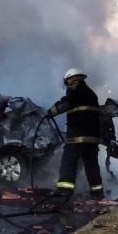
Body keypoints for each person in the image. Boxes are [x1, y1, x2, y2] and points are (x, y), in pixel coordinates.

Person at [48, 68, 104, 199]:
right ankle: (97, 192)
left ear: (70, 79)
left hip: (77, 137)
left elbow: (67, 103)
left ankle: (64, 190)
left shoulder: (73, 89)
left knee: (68, 161)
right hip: (92, 137)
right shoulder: (92, 93)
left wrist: (52, 111)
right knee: (92, 165)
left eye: (67, 82)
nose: (67, 85)